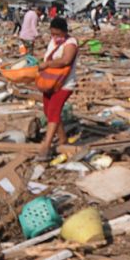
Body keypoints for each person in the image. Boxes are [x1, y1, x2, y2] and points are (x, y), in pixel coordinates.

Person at [37, 17, 79, 159]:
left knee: (54, 112)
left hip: (64, 84)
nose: (55, 37)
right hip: (51, 82)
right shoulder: (53, 41)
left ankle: (46, 146)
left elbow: (66, 60)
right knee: (48, 112)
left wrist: (47, 65)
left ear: (65, 32)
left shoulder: (70, 43)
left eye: (58, 34)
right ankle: (62, 140)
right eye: (53, 34)